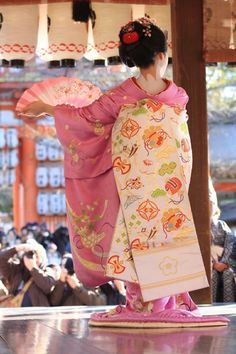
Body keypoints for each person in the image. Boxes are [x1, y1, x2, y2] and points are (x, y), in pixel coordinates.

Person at [18, 17, 228, 327]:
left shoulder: (122, 97)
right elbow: (182, 142)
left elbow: (83, 118)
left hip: (134, 186)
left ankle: (145, 304)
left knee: (136, 240)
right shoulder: (178, 97)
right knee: (163, 235)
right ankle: (165, 300)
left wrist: (49, 108)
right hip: (165, 186)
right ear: (162, 54)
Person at [0, 240, 56, 306]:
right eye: (31, 256)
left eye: (37, 256)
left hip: (37, 314)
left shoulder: (48, 270)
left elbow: (48, 287)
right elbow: (1, 259)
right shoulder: (16, 269)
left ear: (43, 258)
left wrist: (33, 268)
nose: (34, 259)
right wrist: (17, 248)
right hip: (16, 313)